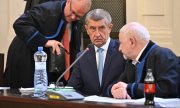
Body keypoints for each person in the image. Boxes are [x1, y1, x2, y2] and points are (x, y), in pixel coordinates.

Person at [4, 0, 92, 88]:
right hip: (25, 56)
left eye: (78, 16)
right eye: (72, 12)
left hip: (47, 63)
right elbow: (20, 24)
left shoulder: (76, 22)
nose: (73, 17)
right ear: (68, 2)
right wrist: (45, 42)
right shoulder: (47, 10)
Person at [107, 22, 179, 99]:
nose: (119, 48)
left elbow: (167, 89)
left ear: (132, 42)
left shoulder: (164, 55)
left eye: (121, 43)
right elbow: (119, 84)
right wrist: (113, 90)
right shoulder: (131, 61)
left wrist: (131, 88)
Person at [67, 9, 125, 96]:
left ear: (110, 28)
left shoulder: (123, 50)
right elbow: (72, 89)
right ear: (87, 29)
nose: (97, 34)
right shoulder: (81, 56)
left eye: (101, 28)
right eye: (93, 28)